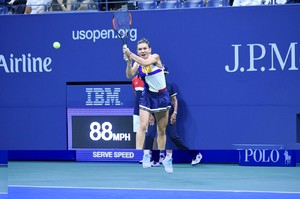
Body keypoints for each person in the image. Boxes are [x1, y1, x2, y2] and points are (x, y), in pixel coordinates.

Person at [124, 38, 173, 173]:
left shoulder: (155, 57)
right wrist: (129, 61)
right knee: (143, 126)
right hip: (147, 96)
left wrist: (130, 54)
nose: (142, 51)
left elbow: (145, 62)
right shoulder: (137, 63)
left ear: (149, 49)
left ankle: (165, 158)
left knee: (161, 130)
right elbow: (129, 75)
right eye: (140, 49)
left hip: (162, 97)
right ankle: (143, 155)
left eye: (145, 48)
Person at [145, 67, 203, 167]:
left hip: (168, 113)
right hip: (155, 113)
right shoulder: (151, 85)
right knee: (151, 135)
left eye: (164, 74)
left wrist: (174, 113)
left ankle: (195, 155)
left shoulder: (169, 86)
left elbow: (174, 100)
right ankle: (155, 159)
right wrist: (150, 115)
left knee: (173, 136)